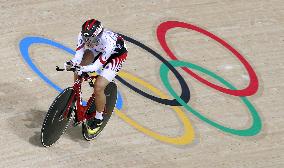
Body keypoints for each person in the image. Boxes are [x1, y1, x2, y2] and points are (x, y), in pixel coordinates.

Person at [64, 19, 127, 134]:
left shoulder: (109, 42)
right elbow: (78, 57)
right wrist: (72, 63)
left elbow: (96, 66)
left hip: (115, 56)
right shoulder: (83, 35)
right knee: (78, 66)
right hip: (97, 50)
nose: (88, 42)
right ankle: (76, 95)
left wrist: (83, 69)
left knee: (98, 87)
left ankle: (99, 118)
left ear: (99, 35)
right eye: (86, 39)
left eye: (91, 39)